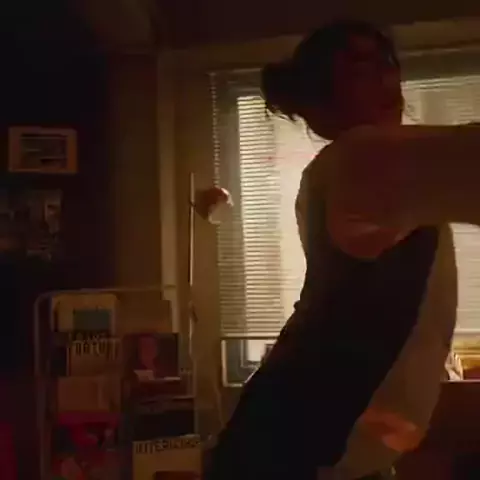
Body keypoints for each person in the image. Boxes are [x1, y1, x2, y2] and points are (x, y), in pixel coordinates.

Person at [203, 20, 459, 480]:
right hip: (295, 454)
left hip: (313, 450)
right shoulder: (364, 158)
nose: (387, 77)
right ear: (320, 99)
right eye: (361, 67)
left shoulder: (359, 167)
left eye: (387, 62)